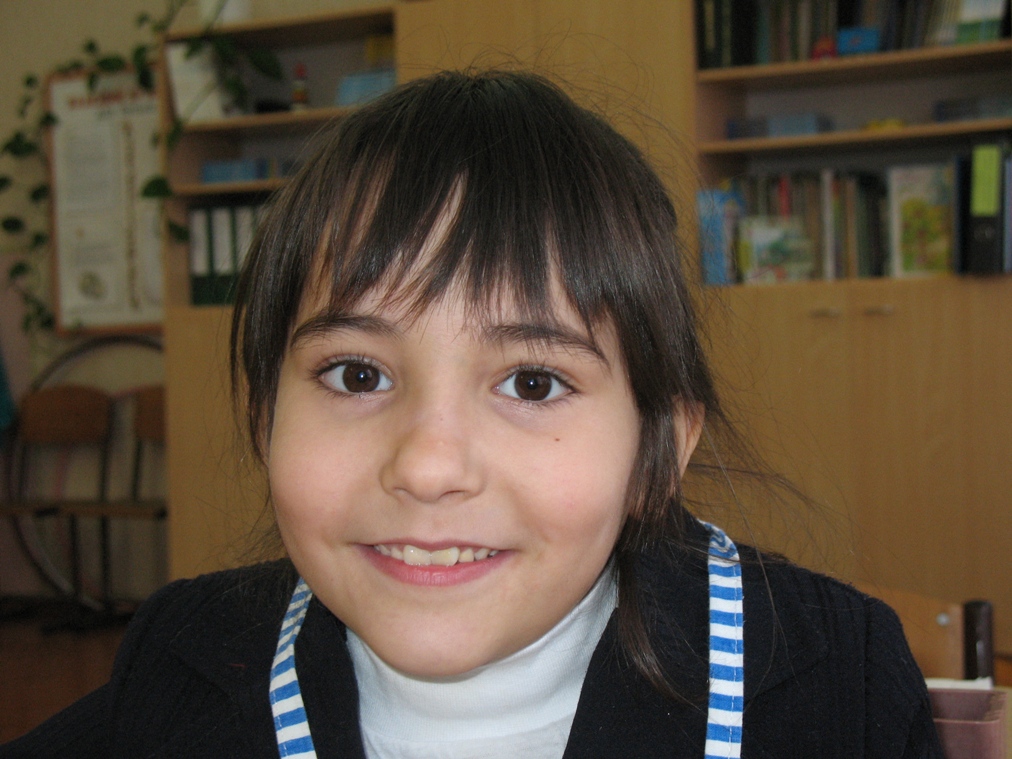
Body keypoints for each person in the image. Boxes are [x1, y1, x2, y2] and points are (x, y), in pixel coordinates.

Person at [1, 70, 942, 758]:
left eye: (531, 383)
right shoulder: (182, 665)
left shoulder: (834, 692)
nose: (428, 465)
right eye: (357, 374)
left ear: (658, 452)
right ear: (263, 417)